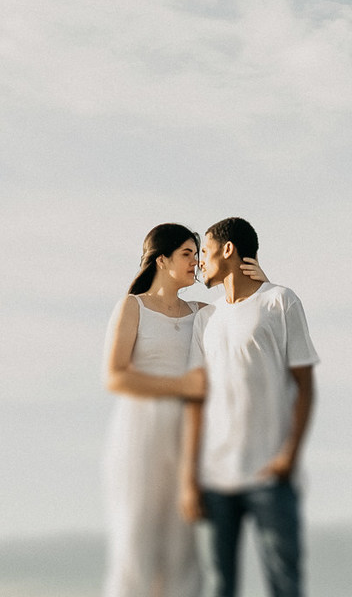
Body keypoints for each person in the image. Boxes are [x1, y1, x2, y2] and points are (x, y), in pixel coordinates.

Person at [102, 224, 266, 597]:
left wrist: (263, 286)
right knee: (137, 540)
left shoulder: (204, 313)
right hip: (140, 431)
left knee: (182, 547)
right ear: (162, 259)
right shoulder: (133, 306)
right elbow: (115, 376)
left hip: (190, 435)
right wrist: (180, 386)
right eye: (187, 254)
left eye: (198, 253)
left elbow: (251, 323)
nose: (197, 261)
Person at [179, 218, 317, 597]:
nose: (200, 263)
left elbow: (304, 386)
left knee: (285, 585)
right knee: (221, 587)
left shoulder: (280, 300)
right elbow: (196, 399)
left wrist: (289, 455)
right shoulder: (205, 319)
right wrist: (189, 478)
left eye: (204, 252)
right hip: (216, 477)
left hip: (270, 475)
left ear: (228, 250)